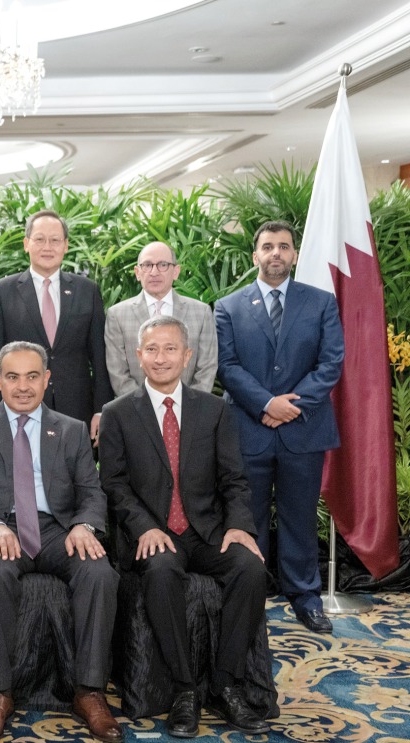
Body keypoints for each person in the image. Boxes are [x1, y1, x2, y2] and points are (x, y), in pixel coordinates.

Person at [100, 315, 270, 737]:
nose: (161, 358)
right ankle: (184, 689)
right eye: (152, 350)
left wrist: (240, 527)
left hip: (207, 530)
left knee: (250, 568)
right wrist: (144, 527)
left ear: (187, 355)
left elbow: (233, 478)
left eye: (170, 349)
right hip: (154, 531)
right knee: (160, 572)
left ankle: (226, 682)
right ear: (138, 356)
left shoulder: (214, 410)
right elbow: (114, 484)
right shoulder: (117, 413)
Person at [0, 341, 121, 743]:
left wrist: (84, 525)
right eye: (12, 377)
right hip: (1, 529)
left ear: (46, 379)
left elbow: (92, 491)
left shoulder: (72, 429)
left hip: (59, 528)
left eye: (31, 376)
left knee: (100, 574)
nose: (22, 387)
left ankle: (89, 691)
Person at [215, 220, 344, 634]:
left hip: (303, 430)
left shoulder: (321, 302)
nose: (276, 253)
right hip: (247, 431)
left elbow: (331, 363)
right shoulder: (228, 306)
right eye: (268, 246)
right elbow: (227, 366)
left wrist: (290, 406)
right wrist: (266, 403)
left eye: (284, 247)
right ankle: (248, 598)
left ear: (293, 255)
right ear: (255, 255)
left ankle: (305, 596)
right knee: (246, 519)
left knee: (299, 516)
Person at [0, 210, 112, 442]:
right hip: (19, 405)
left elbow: (100, 357)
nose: (47, 247)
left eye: (55, 240)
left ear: (66, 246)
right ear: (26, 244)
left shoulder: (87, 291)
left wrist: (101, 409)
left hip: (76, 407)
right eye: (39, 239)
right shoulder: (2, 291)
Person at [103, 241, 217, 397]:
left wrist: (188, 406)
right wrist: (145, 408)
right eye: (147, 265)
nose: (154, 272)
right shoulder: (117, 315)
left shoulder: (201, 312)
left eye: (163, 265)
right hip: (136, 412)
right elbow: (118, 373)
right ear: (137, 272)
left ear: (176, 271)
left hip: (190, 412)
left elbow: (207, 368)